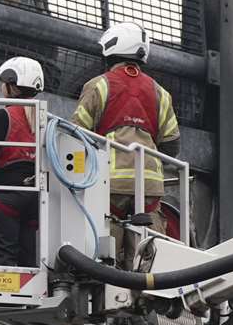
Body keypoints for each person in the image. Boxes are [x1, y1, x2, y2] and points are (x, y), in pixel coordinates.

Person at [73, 22, 181, 239]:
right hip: (149, 189)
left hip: (109, 185)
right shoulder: (160, 92)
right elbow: (172, 144)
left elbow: (75, 135)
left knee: (106, 256)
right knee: (147, 259)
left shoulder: (98, 86)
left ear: (110, 51)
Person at [0, 56, 45, 266]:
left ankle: (2, 299)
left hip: (7, 196)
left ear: (12, 85)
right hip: (36, 198)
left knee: (3, 257)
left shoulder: (4, 116)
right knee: (29, 258)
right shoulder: (44, 119)